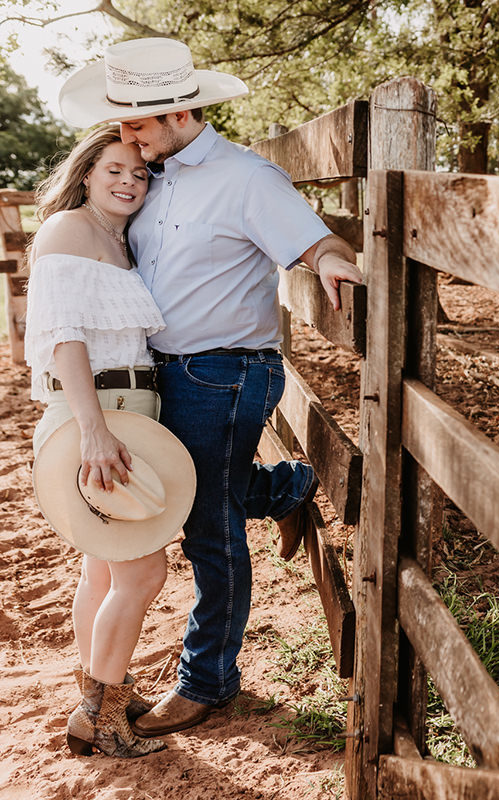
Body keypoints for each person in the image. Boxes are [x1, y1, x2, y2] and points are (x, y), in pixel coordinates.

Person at [57, 37, 364, 737]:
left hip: (225, 370)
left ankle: (208, 682)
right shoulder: (151, 176)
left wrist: (334, 263)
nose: (127, 134)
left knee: (207, 528)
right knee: (194, 494)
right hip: (161, 371)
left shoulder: (247, 178)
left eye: (137, 121)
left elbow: (316, 242)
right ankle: (284, 488)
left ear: (180, 112)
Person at [25, 125, 178, 757]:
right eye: (114, 169)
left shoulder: (121, 241)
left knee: (102, 567)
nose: (129, 181)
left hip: (127, 409)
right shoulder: (68, 230)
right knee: (144, 571)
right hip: (98, 415)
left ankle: (97, 683)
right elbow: (65, 337)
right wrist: (93, 431)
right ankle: (102, 715)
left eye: (140, 173)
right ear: (86, 173)